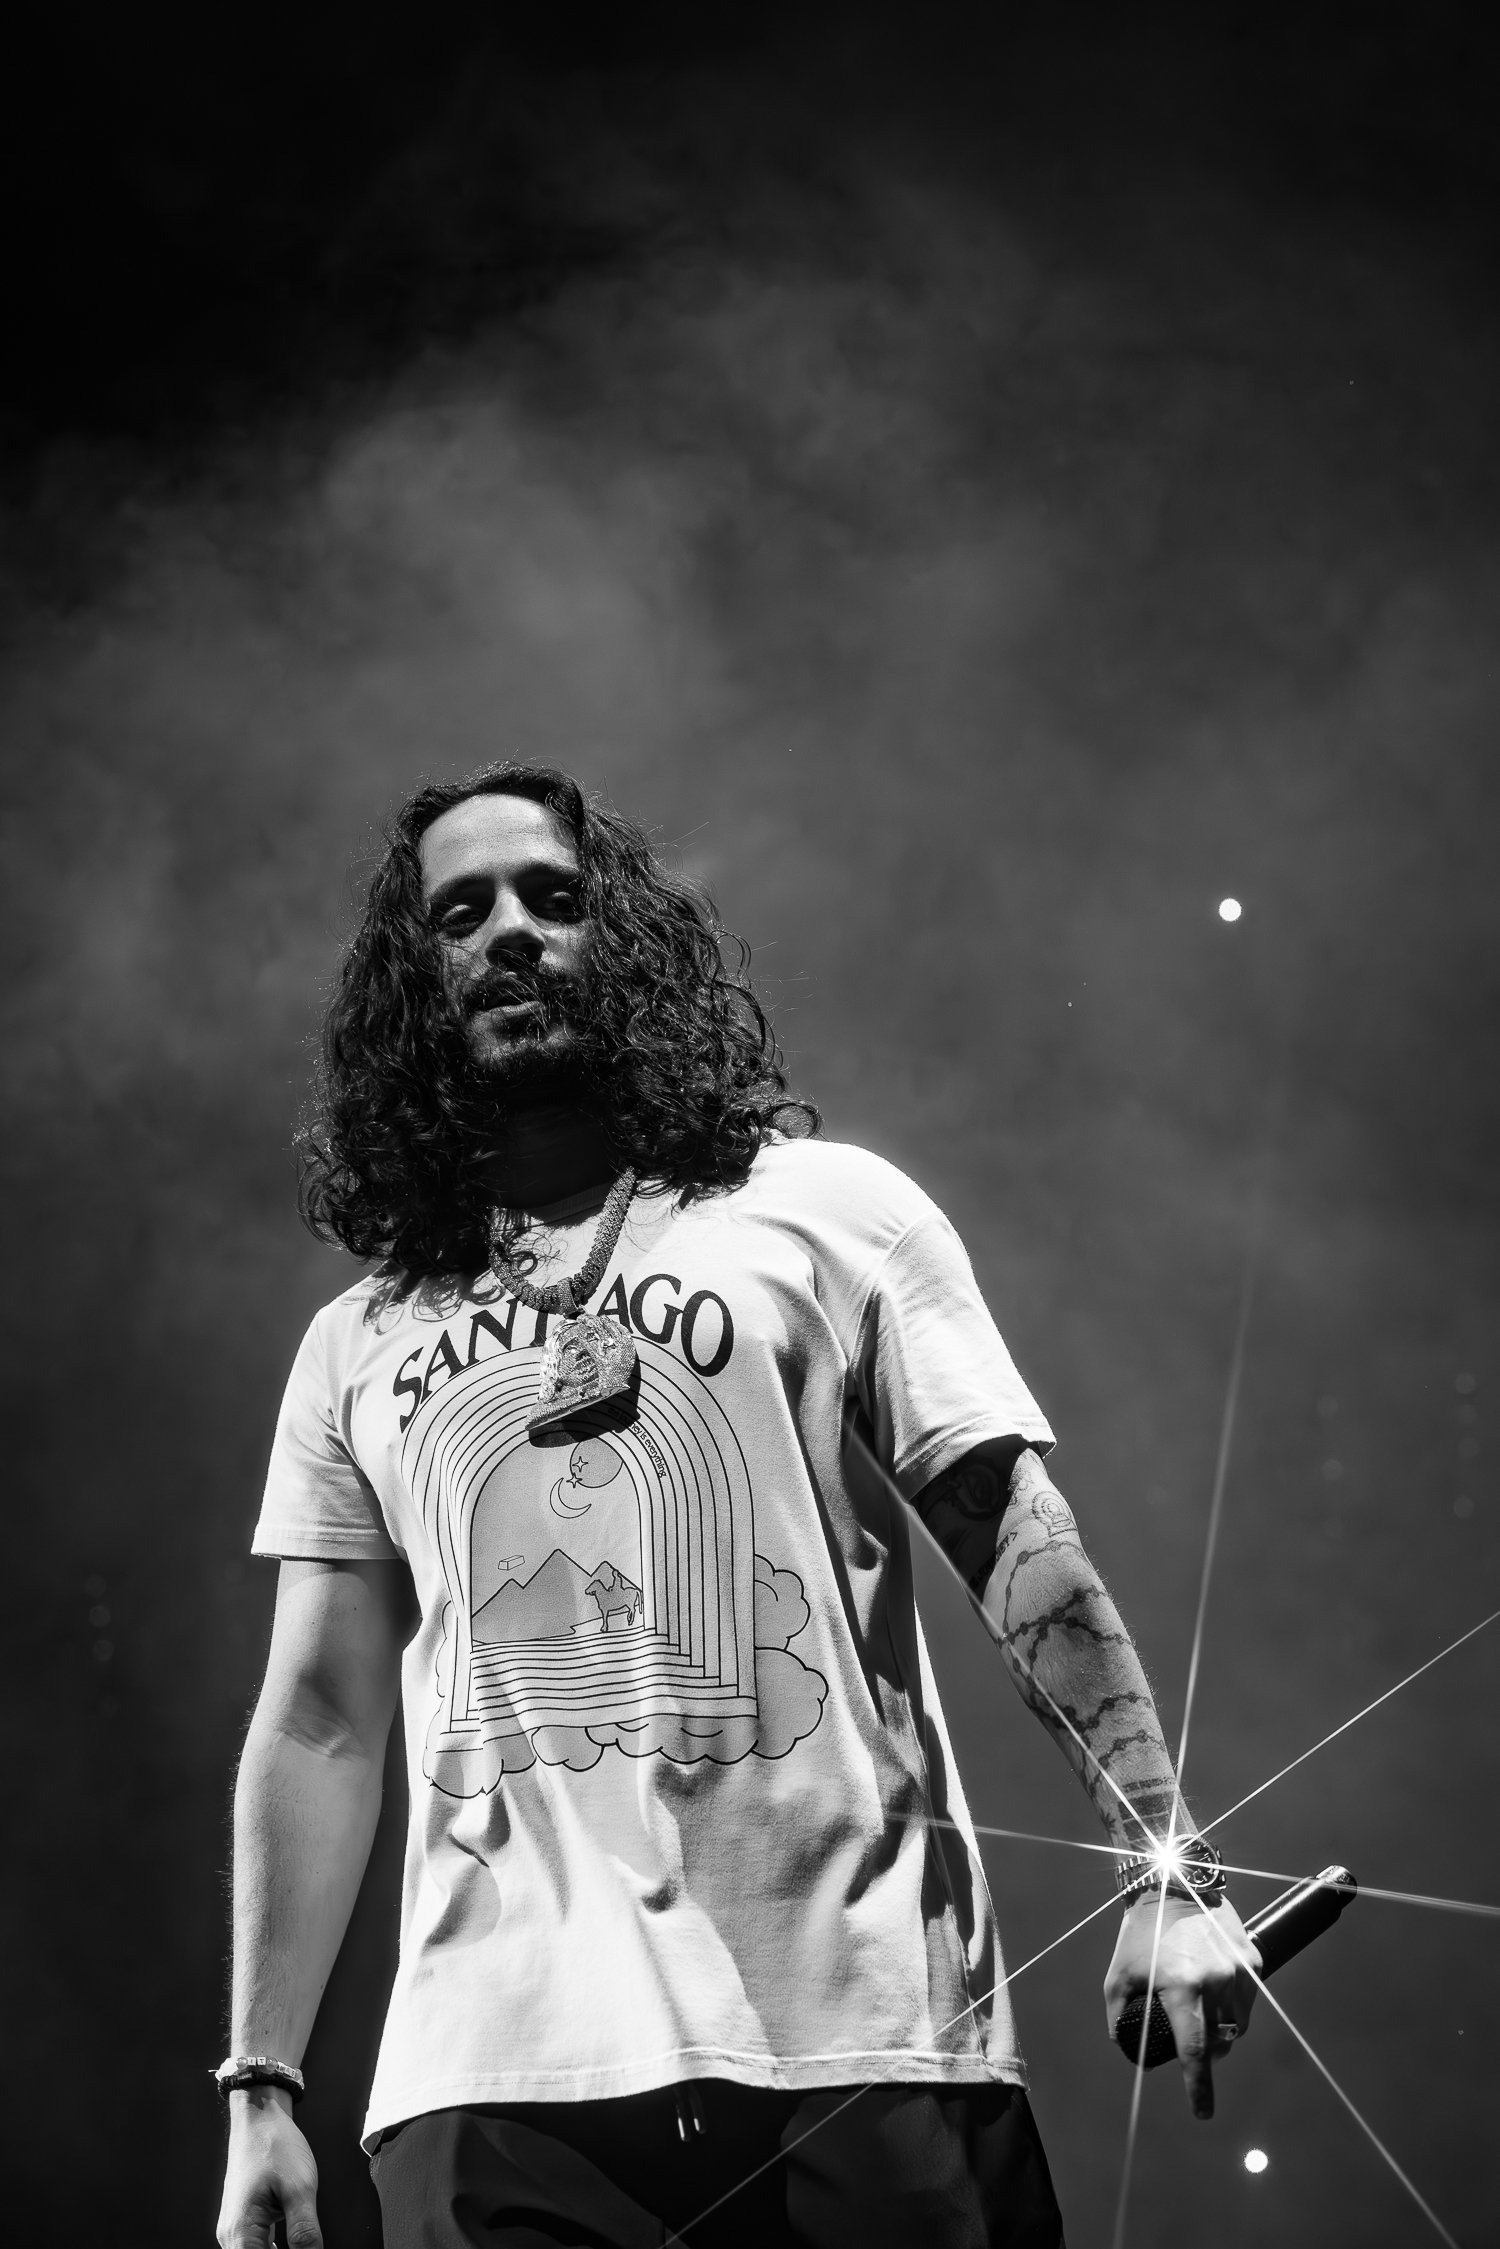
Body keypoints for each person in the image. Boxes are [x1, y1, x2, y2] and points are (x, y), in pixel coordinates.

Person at [216, 763, 1259, 2249]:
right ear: (415, 984)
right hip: (495, 2073)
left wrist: (1170, 1870)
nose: (513, 931)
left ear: (624, 942)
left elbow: (1021, 1545)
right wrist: (262, 2087)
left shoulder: (828, 1210)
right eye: (465, 911)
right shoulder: (359, 1340)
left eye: (553, 898)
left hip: (864, 2036)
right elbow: (318, 1716)